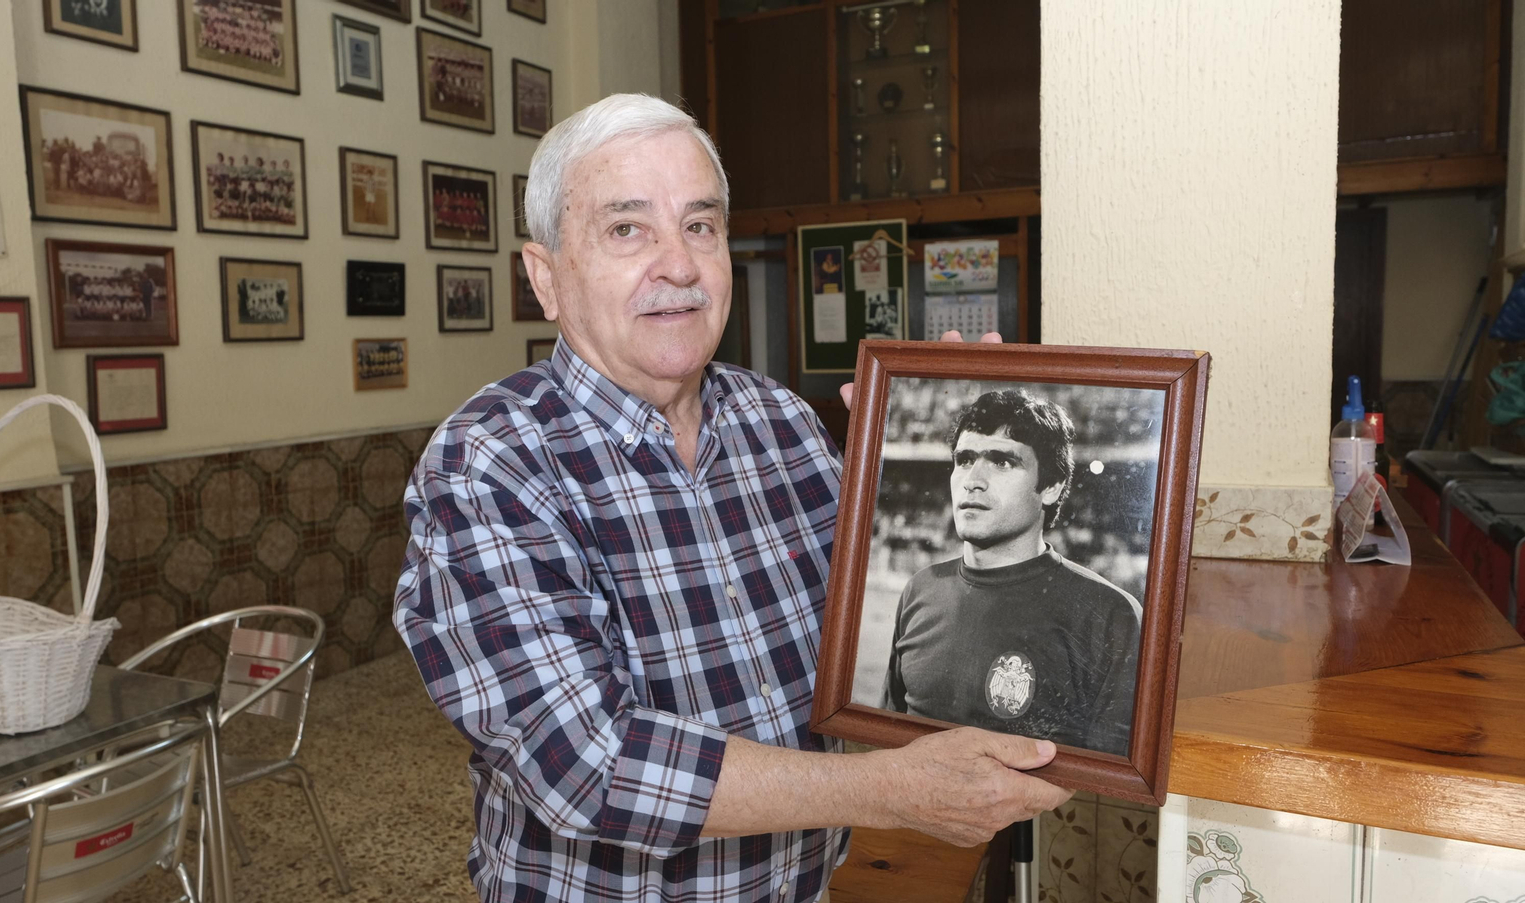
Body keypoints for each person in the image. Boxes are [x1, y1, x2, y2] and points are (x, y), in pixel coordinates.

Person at [392, 94, 1071, 903]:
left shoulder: (777, 420)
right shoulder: (489, 463)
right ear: (546, 277)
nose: (678, 265)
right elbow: (591, 765)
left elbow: (877, 639)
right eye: (626, 228)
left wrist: (907, 482)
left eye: (700, 225)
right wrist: (890, 789)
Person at [881, 389, 1143, 757]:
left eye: (1002, 462)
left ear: (1051, 487)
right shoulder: (920, 590)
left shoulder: (1109, 614)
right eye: (964, 459)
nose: (973, 479)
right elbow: (890, 736)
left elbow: (1109, 786)